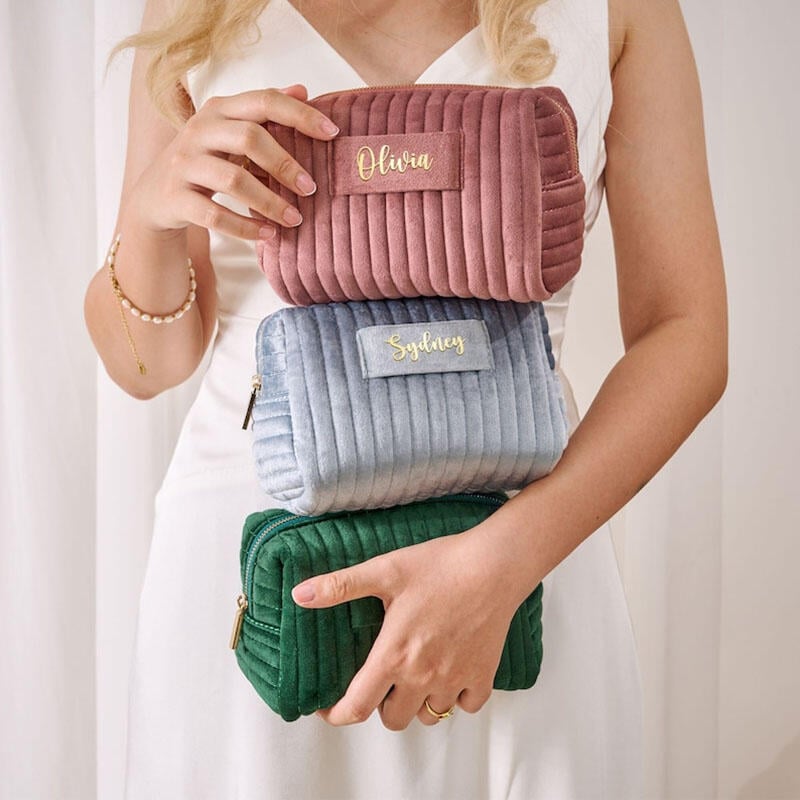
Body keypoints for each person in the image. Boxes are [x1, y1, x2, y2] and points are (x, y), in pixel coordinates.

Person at [84, 0, 727, 797]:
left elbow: (686, 331)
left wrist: (506, 562)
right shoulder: (194, 9)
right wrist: (150, 216)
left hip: (525, 559)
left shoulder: (621, 11)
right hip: (254, 576)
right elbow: (147, 368)